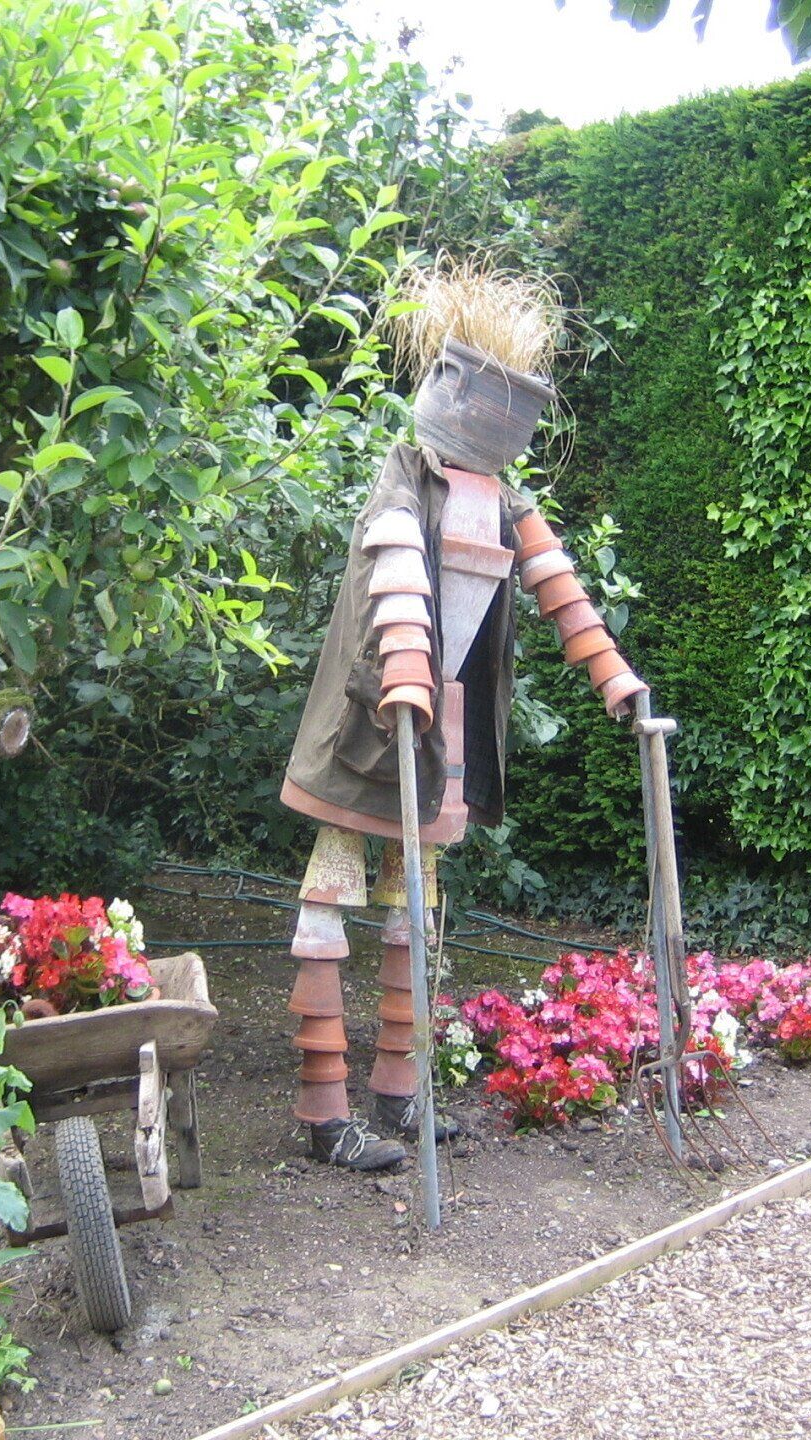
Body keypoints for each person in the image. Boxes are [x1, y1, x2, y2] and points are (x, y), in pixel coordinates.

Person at [277, 267, 646, 1169]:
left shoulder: (504, 499)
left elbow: (557, 585)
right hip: (370, 723)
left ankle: (399, 1093)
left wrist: (615, 677)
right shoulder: (405, 476)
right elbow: (396, 562)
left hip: (436, 728)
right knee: (330, 899)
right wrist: (406, 671)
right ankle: (324, 1112)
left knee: (416, 909)